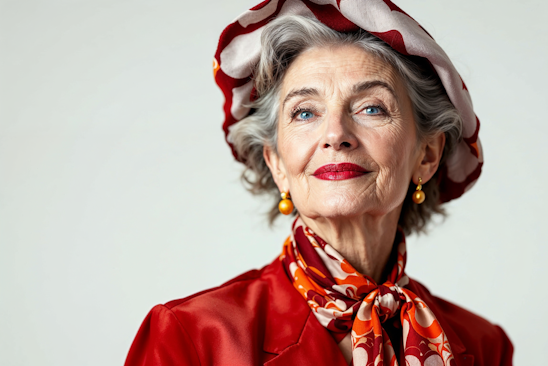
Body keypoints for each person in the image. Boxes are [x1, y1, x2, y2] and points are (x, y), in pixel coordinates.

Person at [125, 1, 513, 365]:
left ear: (426, 156)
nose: (335, 134)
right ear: (276, 164)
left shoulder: (483, 345)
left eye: (371, 108)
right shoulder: (192, 336)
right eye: (305, 112)